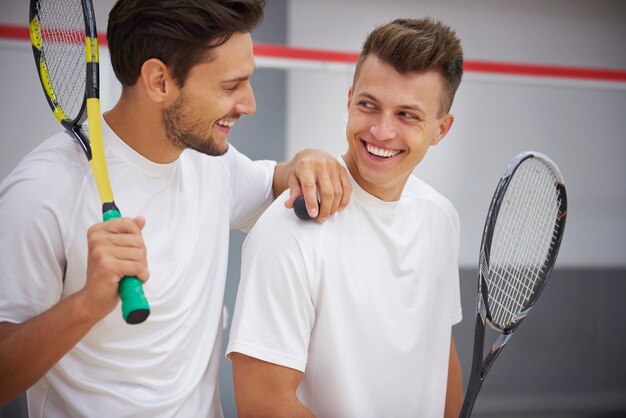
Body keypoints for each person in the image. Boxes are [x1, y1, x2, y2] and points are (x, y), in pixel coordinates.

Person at [0, 0, 351, 416]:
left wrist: (310, 158)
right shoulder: (40, 190)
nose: (249, 103)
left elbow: (281, 181)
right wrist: (86, 304)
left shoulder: (209, 161)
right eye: (229, 86)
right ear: (159, 81)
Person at [227, 17, 465, 418]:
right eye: (369, 105)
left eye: (407, 115)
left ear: (441, 129)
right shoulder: (289, 228)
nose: (382, 130)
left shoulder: (440, 217)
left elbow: (440, 352)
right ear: (349, 99)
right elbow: (263, 405)